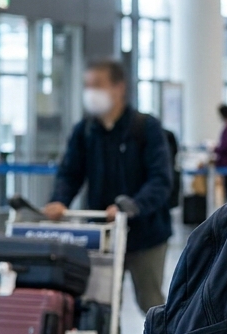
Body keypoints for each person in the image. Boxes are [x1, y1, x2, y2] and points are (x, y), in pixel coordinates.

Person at [46, 60, 173, 314]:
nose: (90, 91)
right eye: (87, 85)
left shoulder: (145, 127)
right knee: (102, 306)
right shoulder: (85, 131)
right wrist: (60, 200)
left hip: (146, 235)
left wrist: (132, 206)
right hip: (102, 235)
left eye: (97, 85)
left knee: (151, 304)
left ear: (119, 88)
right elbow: (70, 173)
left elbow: (161, 179)